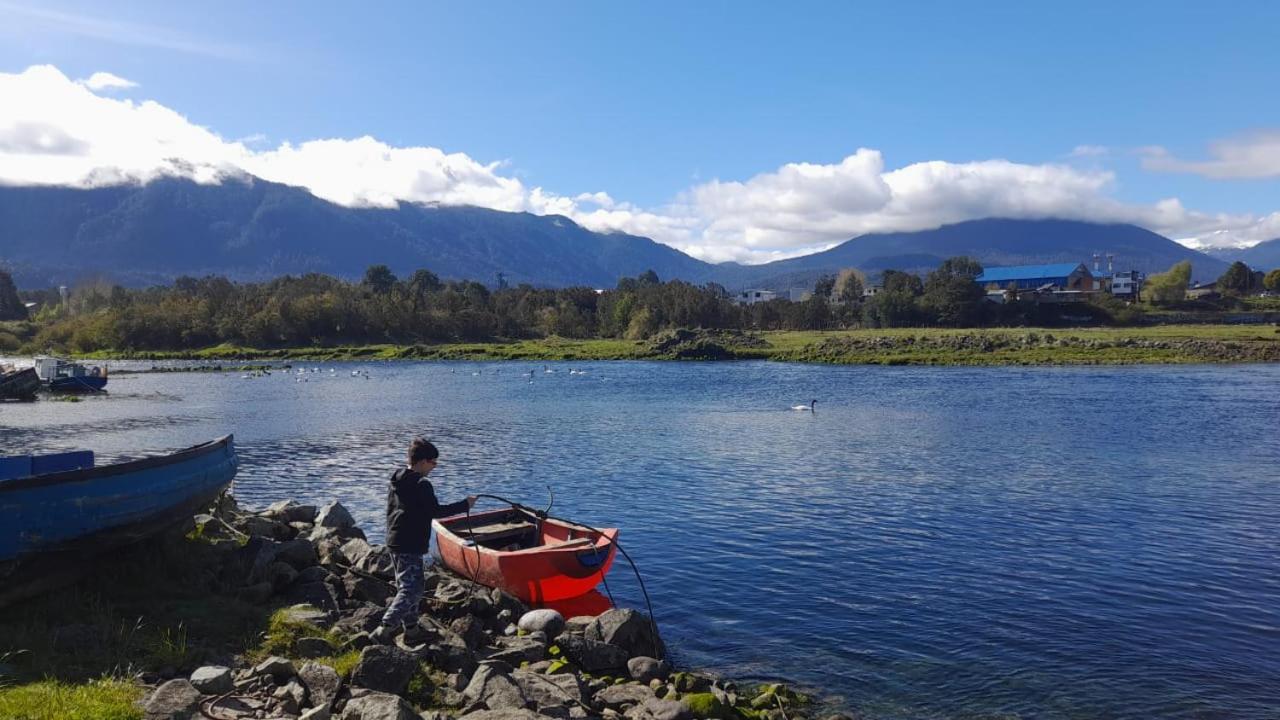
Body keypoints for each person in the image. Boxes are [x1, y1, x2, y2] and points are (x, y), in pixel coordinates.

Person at [372, 438, 476, 644]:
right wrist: (465, 505)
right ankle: (384, 629)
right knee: (413, 589)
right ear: (422, 461)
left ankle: (411, 630)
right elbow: (436, 511)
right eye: (433, 462)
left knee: (407, 585)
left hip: (394, 540)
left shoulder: (397, 479)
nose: (434, 467)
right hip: (410, 543)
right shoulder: (422, 484)